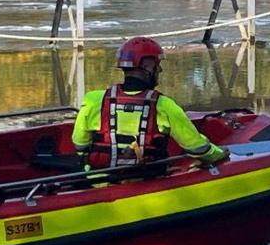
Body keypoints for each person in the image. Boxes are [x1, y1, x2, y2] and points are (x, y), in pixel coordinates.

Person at [73, 36, 229, 171]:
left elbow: (80, 143)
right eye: (157, 65)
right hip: (145, 179)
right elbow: (197, 148)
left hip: (98, 180)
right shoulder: (163, 105)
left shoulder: (93, 100)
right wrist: (220, 154)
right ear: (147, 66)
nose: (159, 70)